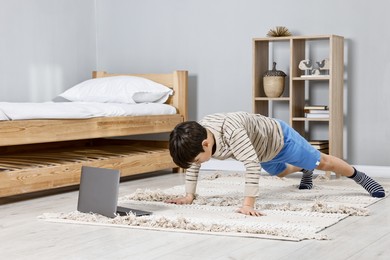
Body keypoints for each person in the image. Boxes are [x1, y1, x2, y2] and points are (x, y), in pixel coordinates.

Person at [167, 111, 385, 216]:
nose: (196, 164)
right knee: (280, 173)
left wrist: (248, 204)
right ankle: (304, 168)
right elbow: (193, 164)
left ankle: (359, 176)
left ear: (206, 144)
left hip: (281, 140)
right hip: (263, 152)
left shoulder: (232, 132)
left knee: (323, 162)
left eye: (196, 160)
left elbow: (251, 166)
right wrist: (189, 195)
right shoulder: (199, 136)